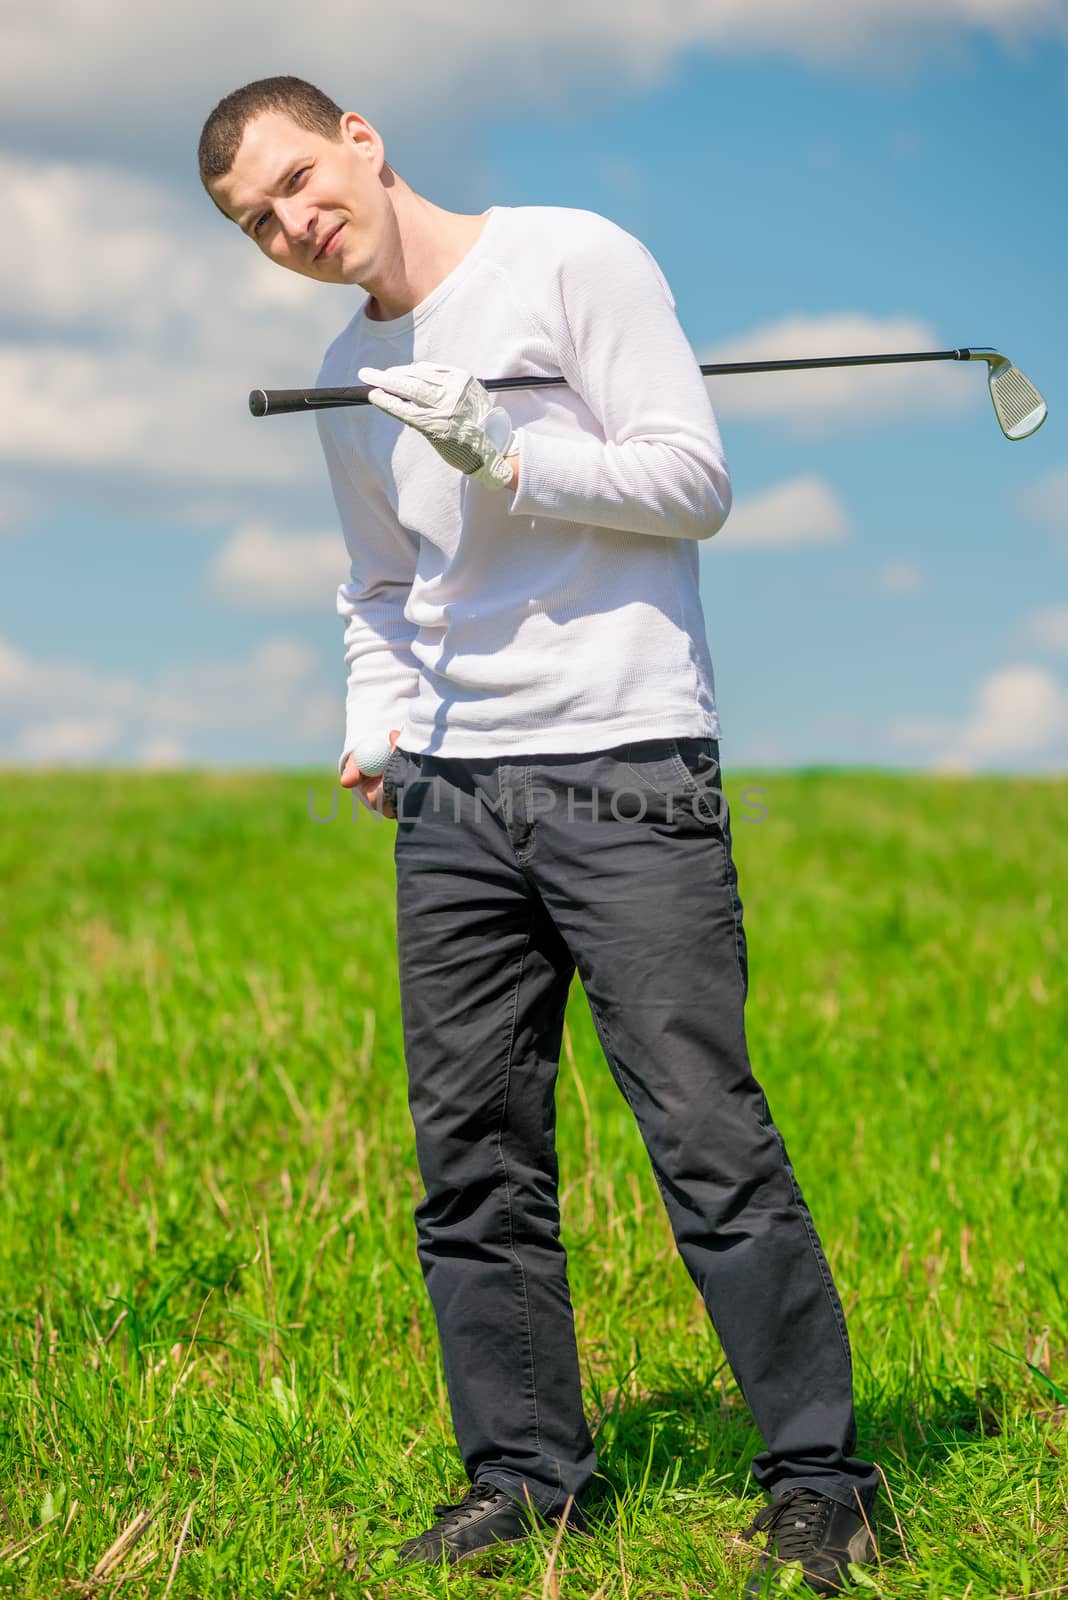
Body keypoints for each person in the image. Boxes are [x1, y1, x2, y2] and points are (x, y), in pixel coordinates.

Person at [198, 75, 880, 1595]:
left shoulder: (574, 258)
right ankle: (524, 1479)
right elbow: (378, 591)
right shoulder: (342, 373)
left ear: (362, 139)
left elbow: (693, 483)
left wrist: (505, 450)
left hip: (623, 761)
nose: (297, 225)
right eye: (260, 224)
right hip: (449, 795)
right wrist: (378, 720)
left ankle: (824, 1482)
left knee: (704, 1136)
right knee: (472, 1160)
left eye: (303, 181)